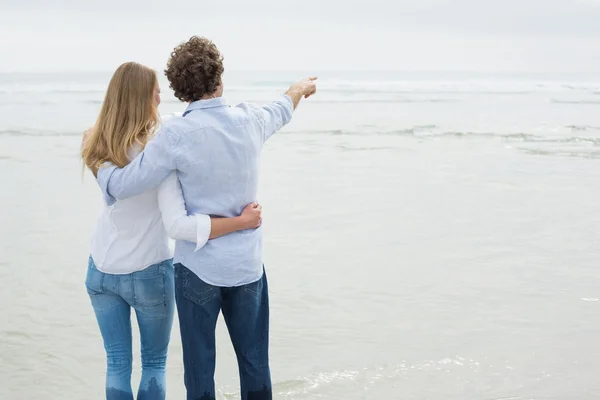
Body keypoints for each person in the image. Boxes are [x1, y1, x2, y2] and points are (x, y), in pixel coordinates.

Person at [96, 37, 317, 400]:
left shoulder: (173, 135)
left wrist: (99, 163)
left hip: (196, 268)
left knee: (199, 370)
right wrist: (298, 89)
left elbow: (125, 184)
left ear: (180, 89)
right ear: (220, 77)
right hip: (246, 266)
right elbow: (282, 108)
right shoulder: (249, 120)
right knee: (255, 364)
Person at [81, 61, 263, 400]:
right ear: (144, 99)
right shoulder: (161, 146)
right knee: (153, 363)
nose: (162, 99)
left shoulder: (96, 143)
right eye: (156, 93)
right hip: (148, 269)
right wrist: (240, 222)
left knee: (117, 363)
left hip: (101, 267)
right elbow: (177, 224)